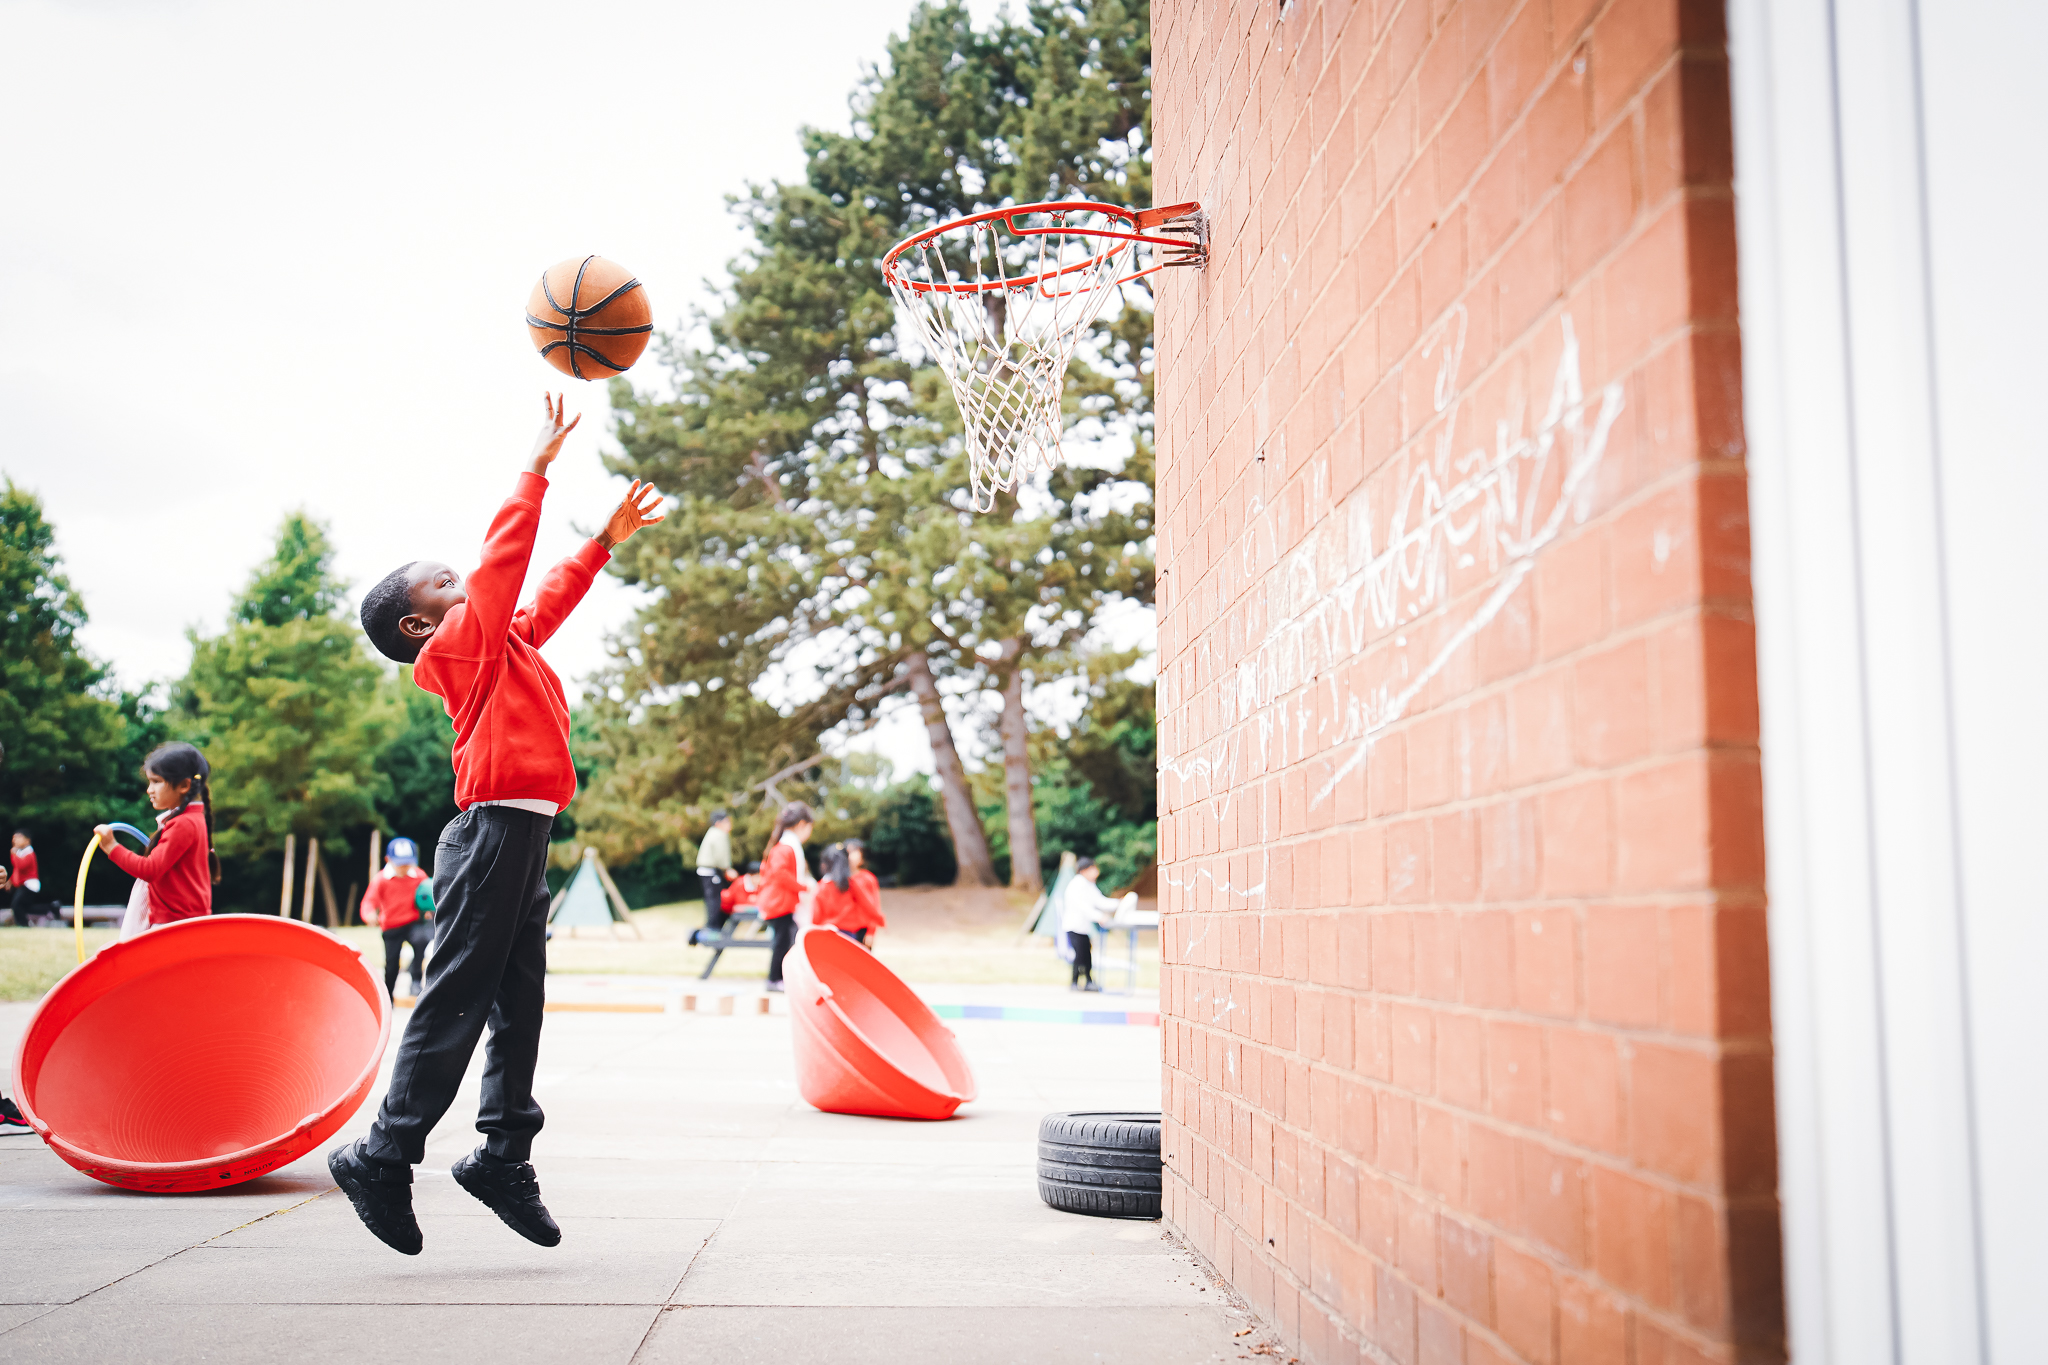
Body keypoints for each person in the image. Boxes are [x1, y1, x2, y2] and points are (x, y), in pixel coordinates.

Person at [329, 393, 665, 1258]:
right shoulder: (452, 651)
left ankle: (502, 1155)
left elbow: (540, 599)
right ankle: (382, 1153)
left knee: (521, 1005)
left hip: (524, 836)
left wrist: (602, 542)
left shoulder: (499, 643)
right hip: (488, 838)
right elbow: (506, 566)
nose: (466, 585)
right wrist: (535, 469)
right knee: (458, 997)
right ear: (418, 625)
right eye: (446, 584)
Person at [93, 744, 220, 928]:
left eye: (156, 781)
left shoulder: (183, 824)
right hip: (183, 922)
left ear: (184, 785)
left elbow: (150, 870)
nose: (149, 789)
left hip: (176, 925)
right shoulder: (192, 819)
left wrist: (112, 847)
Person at [361, 837, 434, 1000]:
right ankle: (388, 995)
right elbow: (368, 902)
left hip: (413, 923)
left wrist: (429, 910)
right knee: (392, 963)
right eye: (400, 864)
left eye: (407, 863)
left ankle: (415, 981)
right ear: (388, 860)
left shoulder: (418, 875)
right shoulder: (381, 879)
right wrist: (369, 914)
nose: (404, 868)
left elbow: (427, 895)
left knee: (422, 940)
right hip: (391, 925)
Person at [755, 801, 814, 992]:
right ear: (802, 824)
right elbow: (780, 873)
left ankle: (780, 978)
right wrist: (802, 887)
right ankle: (774, 979)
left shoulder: (786, 845)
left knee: (786, 941)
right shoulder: (786, 847)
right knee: (782, 942)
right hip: (779, 903)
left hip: (782, 903)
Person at [1061, 857, 1131, 993]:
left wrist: (1118, 903)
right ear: (1084, 870)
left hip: (1083, 927)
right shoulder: (1077, 885)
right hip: (1074, 926)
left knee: (1086, 954)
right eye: (1092, 868)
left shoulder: (1089, 885)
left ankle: (1088, 981)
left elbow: (1100, 901)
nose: (1096, 871)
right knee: (1080, 954)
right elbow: (1082, 906)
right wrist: (1099, 916)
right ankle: (1075, 982)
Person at [812, 840, 884, 946]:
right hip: (847, 933)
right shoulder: (850, 884)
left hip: (848, 931)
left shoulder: (822, 886)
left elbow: (816, 917)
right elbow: (870, 907)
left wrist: (871, 931)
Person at [690, 809, 736, 945]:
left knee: (714, 899)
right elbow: (721, 856)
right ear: (719, 823)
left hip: (708, 870)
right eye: (727, 821)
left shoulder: (713, 833)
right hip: (711, 871)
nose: (729, 824)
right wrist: (727, 869)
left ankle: (713, 927)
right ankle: (713, 928)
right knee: (715, 900)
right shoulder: (719, 834)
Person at [9, 831, 49, 927]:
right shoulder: (21, 852)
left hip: (29, 884)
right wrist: (10, 881)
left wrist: (13, 854)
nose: (15, 840)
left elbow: (21, 866)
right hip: (24, 884)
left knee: (16, 905)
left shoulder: (29, 853)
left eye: (18, 838)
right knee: (25, 907)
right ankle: (51, 907)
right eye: (14, 838)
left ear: (27, 840)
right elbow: (17, 870)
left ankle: (23, 924)